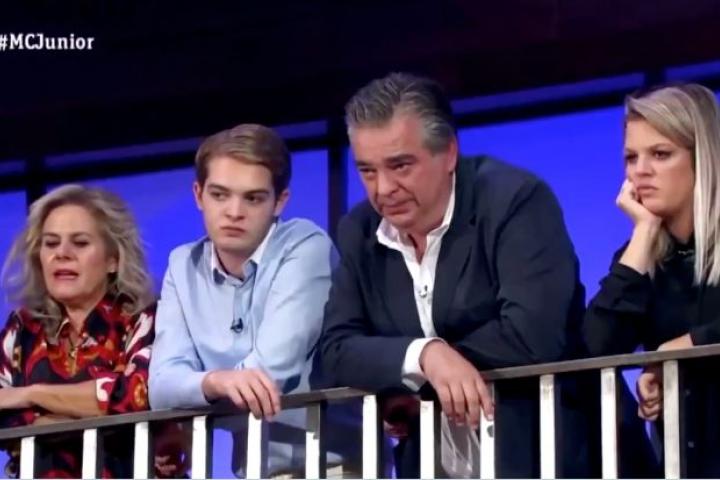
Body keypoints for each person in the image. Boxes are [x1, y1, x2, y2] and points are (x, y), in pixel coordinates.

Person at [318, 72, 596, 478]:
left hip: (545, 455)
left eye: (400, 165)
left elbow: (533, 334)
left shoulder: (513, 201)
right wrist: (426, 356)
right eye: (367, 171)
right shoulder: (358, 230)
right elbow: (335, 351)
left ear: (448, 153)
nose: (383, 188)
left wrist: (424, 374)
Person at [148, 123, 343, 477]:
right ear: (198, 194)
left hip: (333, 464)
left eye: (253, 198)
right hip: (253, 468)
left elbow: (268, 375)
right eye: (220, 195)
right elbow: (161, 385)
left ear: (279, 201)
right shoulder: (182, 264)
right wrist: (215, 381)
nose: (234, 212)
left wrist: (195, 390)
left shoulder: (305, 245)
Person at [584, 83, 720, 478]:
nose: (639, 171)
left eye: (660, 154)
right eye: (631, 157)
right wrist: (643, 234)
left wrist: (685, 347)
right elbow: (594, 349)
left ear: (702, 158)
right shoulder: (640, 257)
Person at [0, 185, 159, 478]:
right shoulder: (22, 328)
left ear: (113, 259)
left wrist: (31, 395)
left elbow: (136, 395)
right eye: (51, 243)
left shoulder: (141, 319)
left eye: (80, 243)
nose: (62, 254)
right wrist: (96, 417)